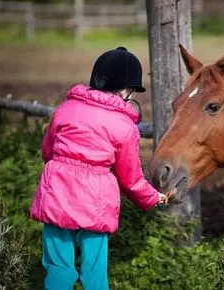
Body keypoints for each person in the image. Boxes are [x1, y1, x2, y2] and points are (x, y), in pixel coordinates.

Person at [29, 46, 168, 290]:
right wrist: (153, 197)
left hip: (56, 195)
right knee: (94, 273)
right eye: (132, 90)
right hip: (96, 202)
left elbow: (47, 151)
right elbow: (130, 179)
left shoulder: (64, 110)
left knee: (58, 269)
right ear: (125, 89)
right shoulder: (124, 127)